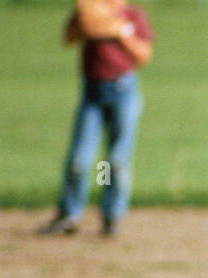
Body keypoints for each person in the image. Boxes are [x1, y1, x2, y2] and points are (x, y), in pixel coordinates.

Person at [40, 0, 155, 237]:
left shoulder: (132, 15)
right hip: (92, 93)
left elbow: (144, 55)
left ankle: (112, 218)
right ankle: (69, 214)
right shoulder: (87, 12)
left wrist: (120, 31)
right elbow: (68, 38)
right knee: (80, 158)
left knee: (117, 159)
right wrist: (88, 26)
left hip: (124, 91)